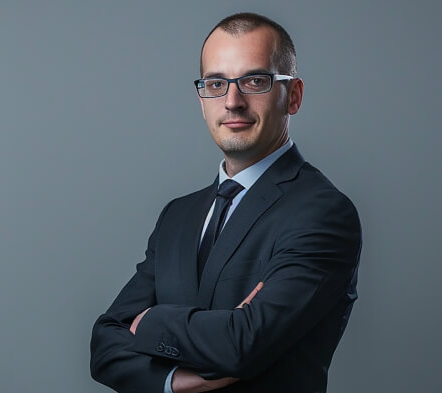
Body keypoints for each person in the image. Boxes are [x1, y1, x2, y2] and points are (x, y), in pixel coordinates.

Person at [90, 12, 362, 393]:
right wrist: (174, 381)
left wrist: (151, 321)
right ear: (202, 99)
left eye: (254, 81)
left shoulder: (322, 213)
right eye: (216, 83)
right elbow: (104, 345)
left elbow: (241, 346)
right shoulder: (178, 216)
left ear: (293, 95)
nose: (232, 101)